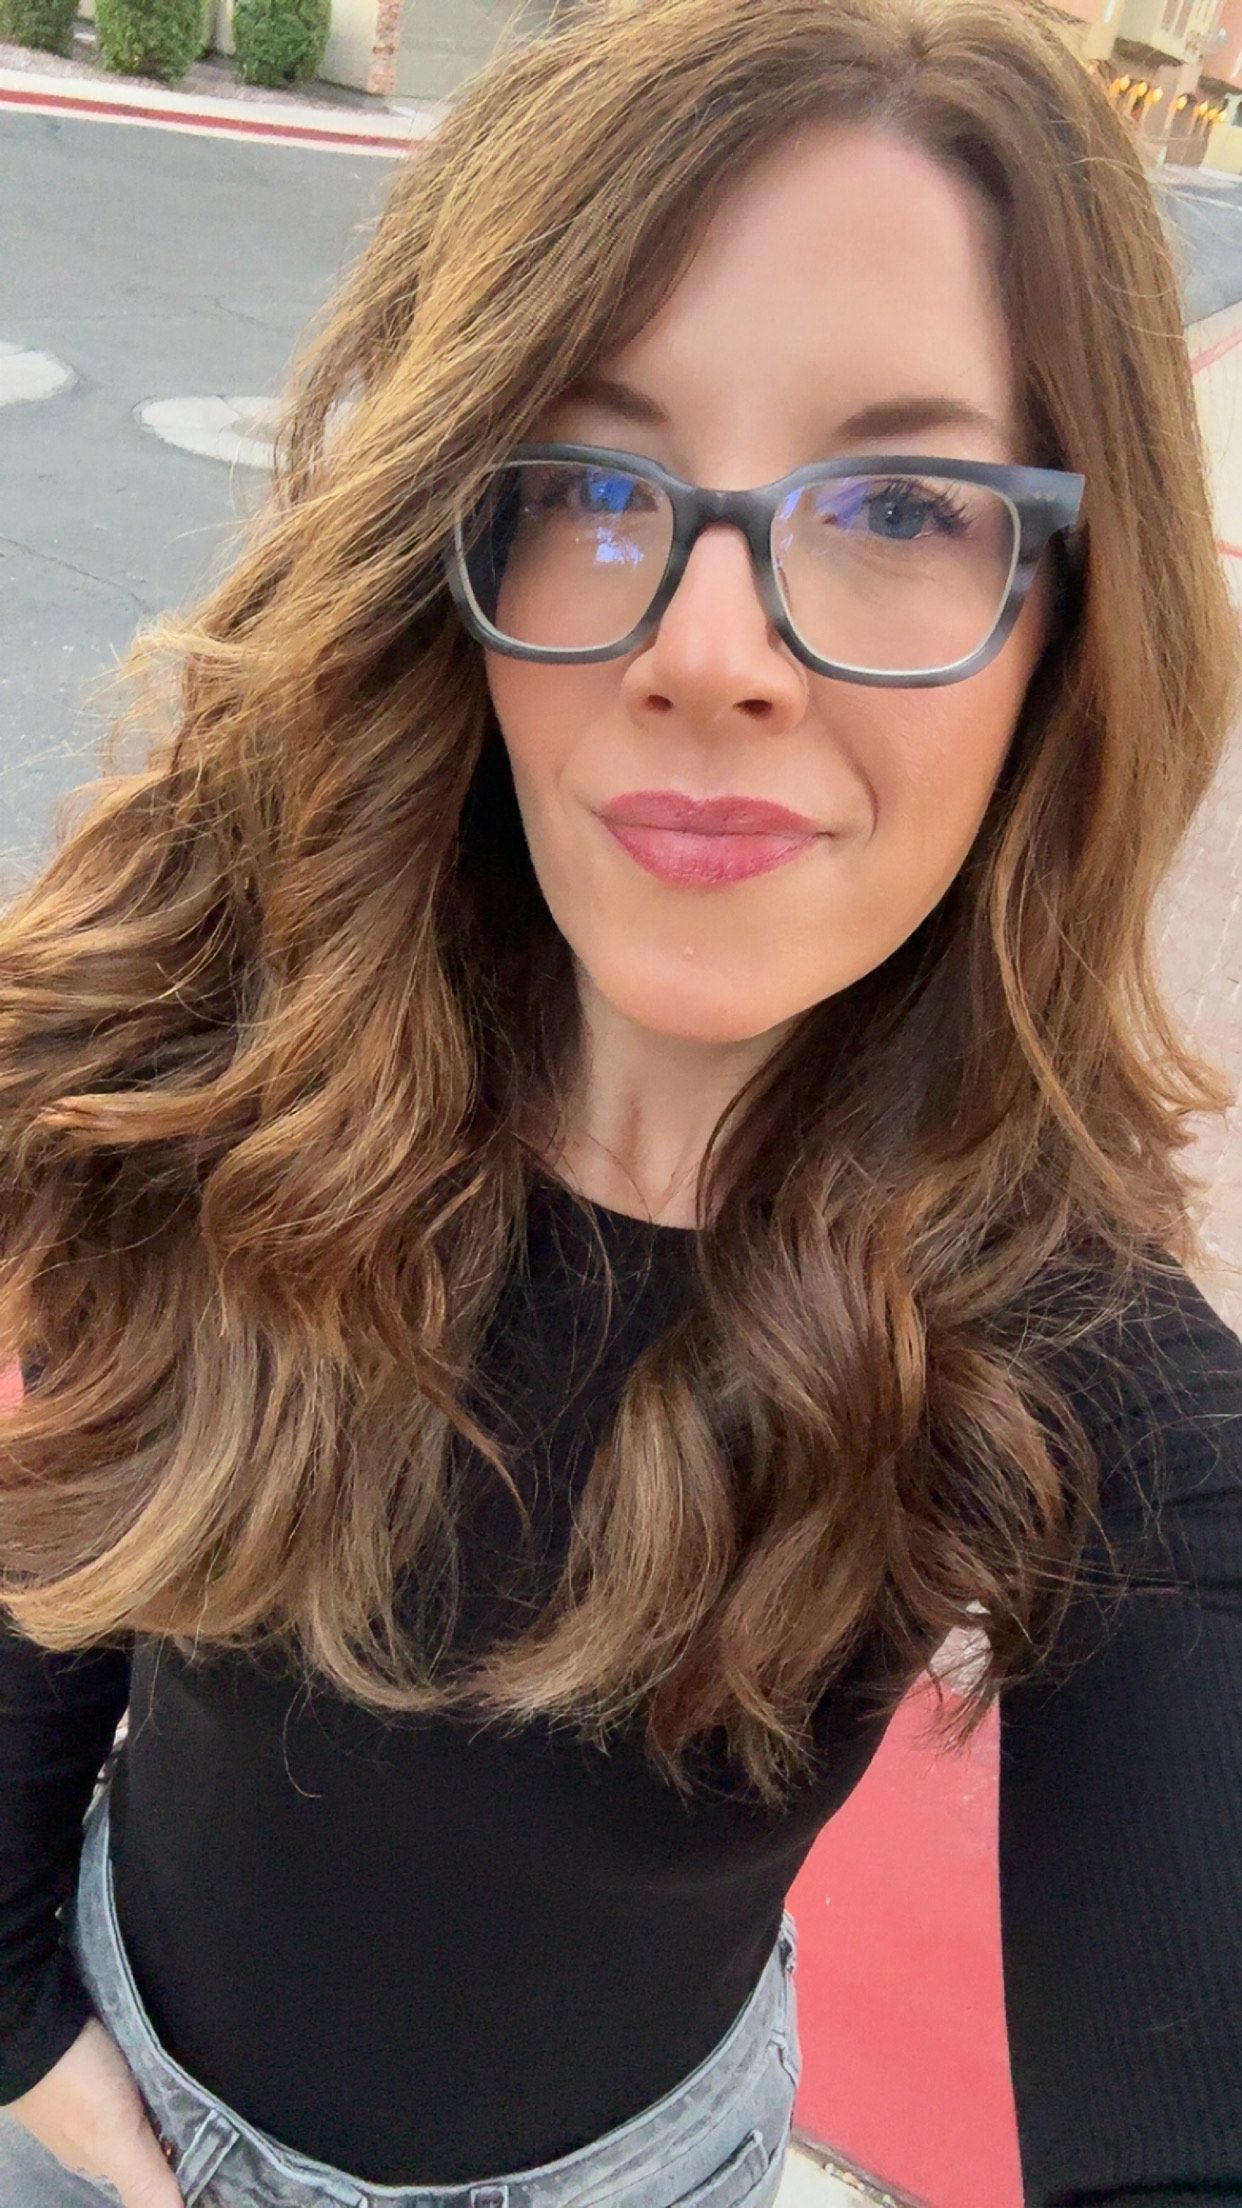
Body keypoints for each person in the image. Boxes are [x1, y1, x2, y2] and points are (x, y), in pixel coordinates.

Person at [0, 0, 1239, 2204]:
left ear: (1071, 618)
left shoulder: (1097, 1372)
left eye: (903, 503)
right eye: (586, 481)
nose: (713, 645)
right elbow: (66, 1523)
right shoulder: (225, 1044)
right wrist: (8, 1995)